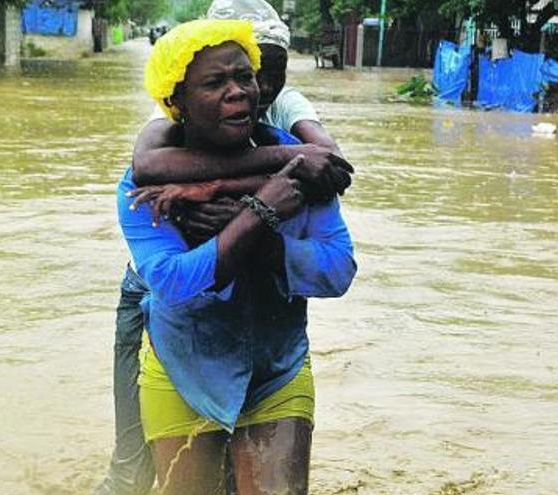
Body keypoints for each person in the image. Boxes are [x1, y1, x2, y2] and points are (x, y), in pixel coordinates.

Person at [93, 2, 353, 494]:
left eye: (247, 77)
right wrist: (262, 209)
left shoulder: (302, 162)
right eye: (215, 84)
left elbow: (338, 270)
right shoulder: (147, 176)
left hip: (275, 366)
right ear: (179, 103)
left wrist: (258, 231)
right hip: (183, 363)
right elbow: (172, 282)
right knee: (131, 473)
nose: (240, 91)